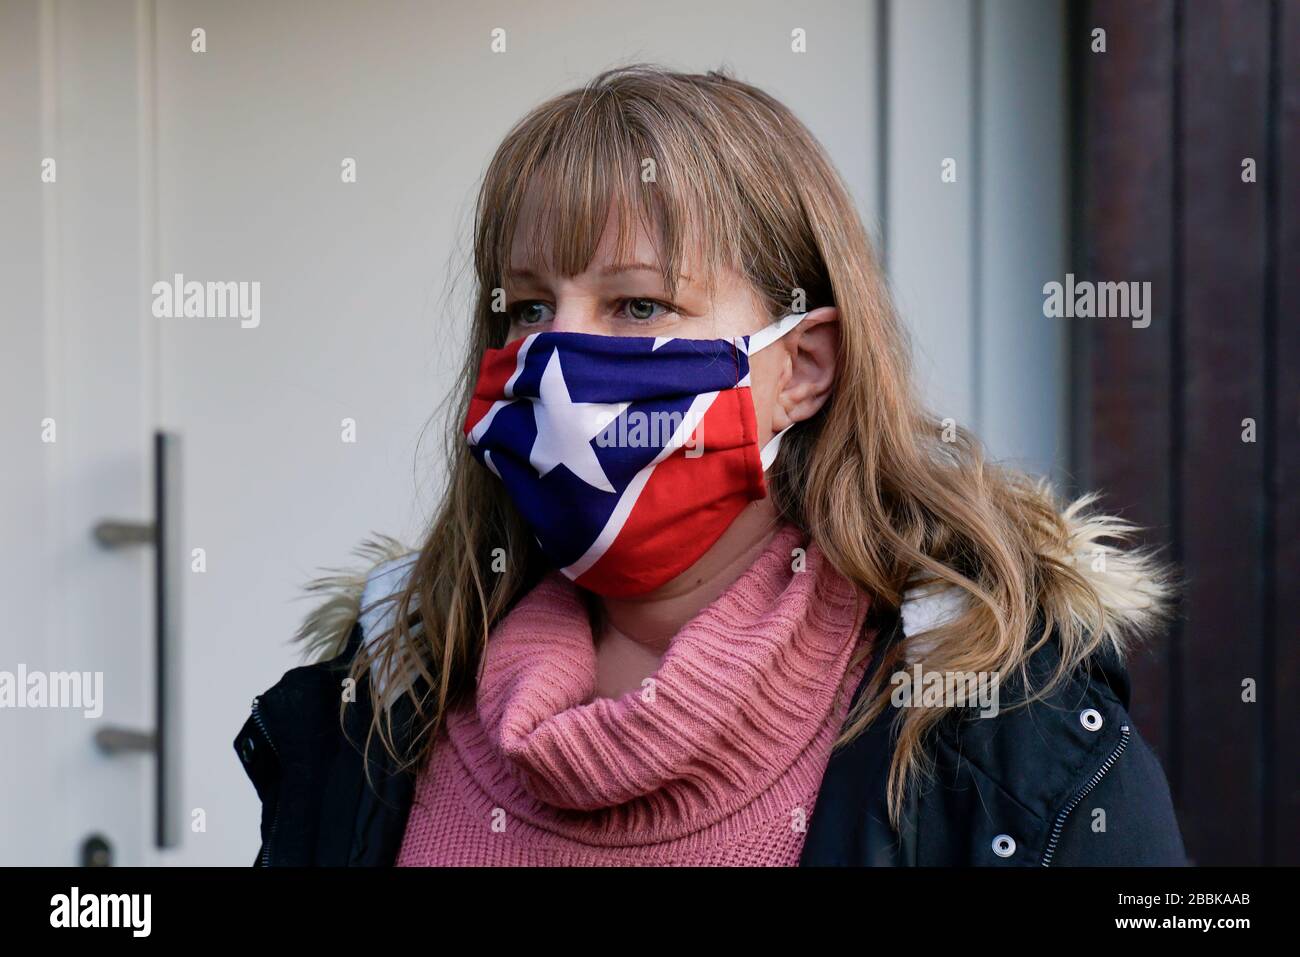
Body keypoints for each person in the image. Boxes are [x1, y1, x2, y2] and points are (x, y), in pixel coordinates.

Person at [234, 64, 1186, 867]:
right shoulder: (382, 704)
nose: (558, 362)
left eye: (639, 305)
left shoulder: (1004, 745)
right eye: (527, 307)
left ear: (803, 367)